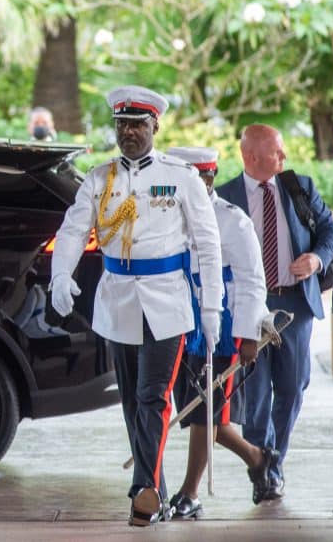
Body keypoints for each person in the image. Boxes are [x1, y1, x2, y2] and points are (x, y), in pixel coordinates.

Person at [49, 85, 223, 527]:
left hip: (167, 301)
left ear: (155, 126)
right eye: (122, 124)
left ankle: (142, 489)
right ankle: (156, 490)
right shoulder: (99, 178)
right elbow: (73, 231)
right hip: (118, 301)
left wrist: (212, 307)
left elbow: (208, 244)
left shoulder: (181, 177)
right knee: (132, 401)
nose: (128, 132)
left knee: (153, 396)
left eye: (137, 125)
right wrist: (60, 274)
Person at [215, 124, 333, 502]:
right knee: (255, 394)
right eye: (276, 152)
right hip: (249, 308)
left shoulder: (298, 187)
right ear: (251, 156)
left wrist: (316, 259)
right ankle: (264, 472)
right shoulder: (224, 197)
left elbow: (329, 229)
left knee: (292, 387)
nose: (284, 157)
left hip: (295, 305)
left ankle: (273, 461)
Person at [164, 147, 279, 517]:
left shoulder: (233, 220)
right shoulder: (167, 215)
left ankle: (190, 494)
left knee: (204, 412)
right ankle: (258, 458)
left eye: (201, 178)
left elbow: (252, 280)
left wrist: (248, 335)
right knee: (200, 411)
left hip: (222, 327)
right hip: (179, 321)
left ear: (210, 178)